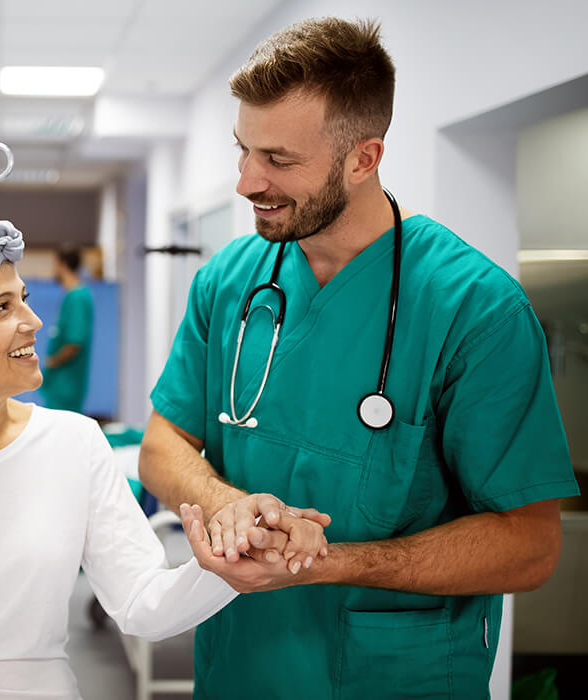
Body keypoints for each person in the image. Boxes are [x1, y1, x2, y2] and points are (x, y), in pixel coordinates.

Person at [138, 17, 580, 699]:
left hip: (396, 677)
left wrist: (326, 561)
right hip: (239, 667)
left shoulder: (476, 308)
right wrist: (227, 505)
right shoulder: (230, 281)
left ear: (364, 158)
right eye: (244, 151)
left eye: (278, 160)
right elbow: (162, 446)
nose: (247, 181)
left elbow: (529, 545)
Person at [0, 219, 329, 700]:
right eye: (3, 307)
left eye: (25, 298)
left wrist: (234, 560)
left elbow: (141, 602)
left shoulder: (75, 443)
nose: (34, 320)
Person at [40, 248, 93, 413]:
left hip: (66, 383)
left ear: (61, 265)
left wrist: (52, 362)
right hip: (60, 383)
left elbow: (74, 342)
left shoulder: (77, 297)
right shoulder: (71, 296)